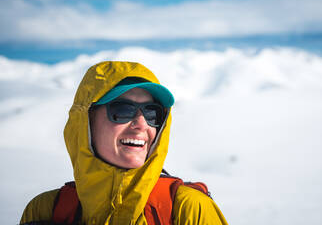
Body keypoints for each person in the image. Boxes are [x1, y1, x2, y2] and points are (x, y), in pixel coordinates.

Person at [20, 61, 228, 224]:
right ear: (85, 123)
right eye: (122, 111)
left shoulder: (187, 209)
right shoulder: (46, 210)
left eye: (152, 113)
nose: (141, 124)